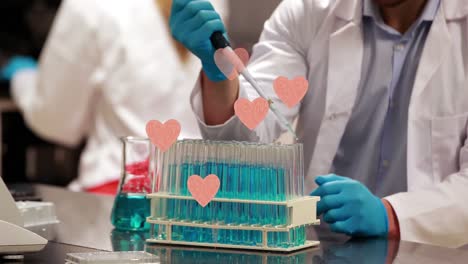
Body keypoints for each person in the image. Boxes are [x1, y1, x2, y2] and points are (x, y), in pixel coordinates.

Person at [170, 0, 468, 248]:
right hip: (317, 247)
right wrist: (219, 72)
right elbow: (247, 137)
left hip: (434, 250)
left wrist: (390, 215)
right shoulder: (309, 12)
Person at [3, 0, 227, 194]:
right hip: (198, 197)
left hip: (121, 200)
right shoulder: (212, 4)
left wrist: (21, 77)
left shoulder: (92, 6)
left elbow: (55, 121)